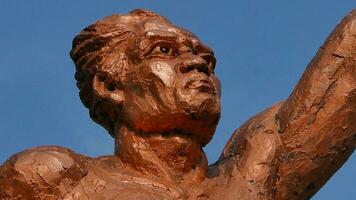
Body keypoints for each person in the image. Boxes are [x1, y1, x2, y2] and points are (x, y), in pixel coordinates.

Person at [0, 9, 355, 200]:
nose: (196, 63)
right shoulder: (52, 179)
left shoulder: (252, 174)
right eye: (164, 51)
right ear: (109, 85)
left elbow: (343, 76)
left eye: (205, 58)